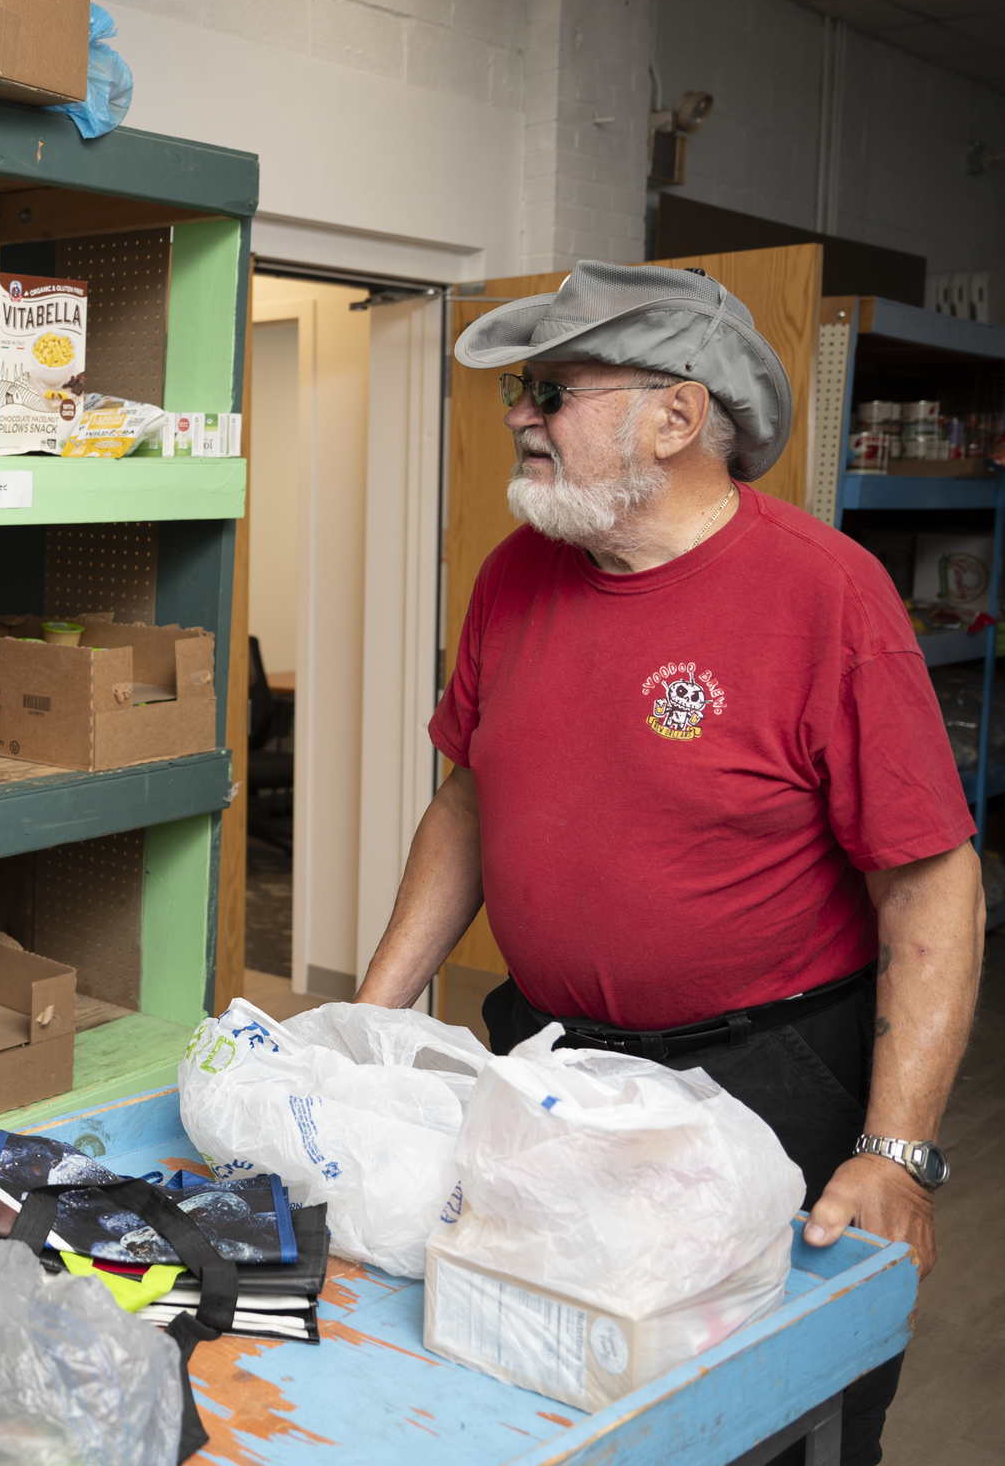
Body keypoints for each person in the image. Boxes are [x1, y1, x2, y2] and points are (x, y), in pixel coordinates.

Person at [355, 261, 983, 1466]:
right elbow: (468, 800)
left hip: (771, 1077)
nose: (519, 416)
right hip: (549, 1065)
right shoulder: (513, 572)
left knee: (770, 1417)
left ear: (677, 416)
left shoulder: (827, 597)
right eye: (520, 391)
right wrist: (366, 1021)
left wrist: (894, 1147)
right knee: (540, 1378)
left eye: (553, 390)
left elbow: (929, 879)